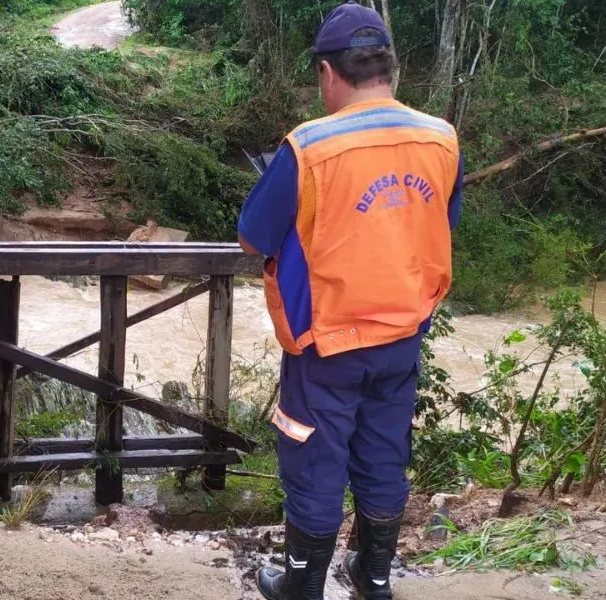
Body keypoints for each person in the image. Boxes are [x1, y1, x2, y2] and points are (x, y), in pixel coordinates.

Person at [236, 2, 464, 599]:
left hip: (328, 340)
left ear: (328, 72)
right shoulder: (441, 139)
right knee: (384, 453)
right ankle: (374, 577)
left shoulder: (309, 146)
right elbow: (440, 223)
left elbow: (252, 237)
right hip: (403, 336)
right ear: (389, 68)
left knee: (314, 458)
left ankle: (303, 586)